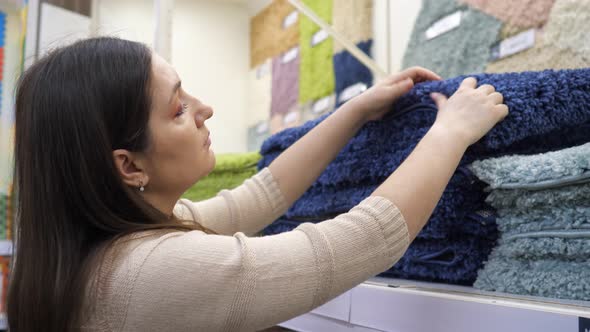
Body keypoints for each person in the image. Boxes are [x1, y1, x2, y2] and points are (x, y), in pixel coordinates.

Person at [7, 37, 508, 332]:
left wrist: (354, 110)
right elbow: (360, 240)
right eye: (178, 108)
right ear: (129, 166)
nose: (205, 110)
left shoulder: (112, 249)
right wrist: (451, 130)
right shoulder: (150, 270)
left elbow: (259, 196)